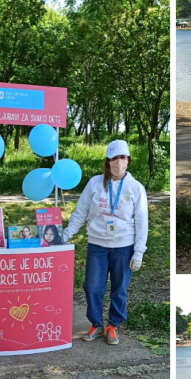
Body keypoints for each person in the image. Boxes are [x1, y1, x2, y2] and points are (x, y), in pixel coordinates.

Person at [62, 139, 148, 346]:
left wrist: (138, 252)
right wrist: (64, 236)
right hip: (97, 246)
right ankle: (96, 324)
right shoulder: (94, 183)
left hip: (124, 247)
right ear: (107, 161)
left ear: (128, 160)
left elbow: (142, 221)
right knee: (92, 287)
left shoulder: (135, 188)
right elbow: (80, 212)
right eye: (114, 158)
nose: (119, 162)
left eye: (122, 158)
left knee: (119, 289)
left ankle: (113, 326)